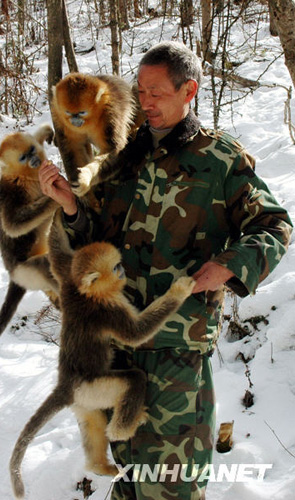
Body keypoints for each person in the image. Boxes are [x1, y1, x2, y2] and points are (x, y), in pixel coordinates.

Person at [39, 41, 293, 499]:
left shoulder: (220, 160)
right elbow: (97, 239)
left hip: (176, 348)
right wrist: (71, 209)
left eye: (156, 92)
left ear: (188, 90)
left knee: (172, 485)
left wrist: (229, 267)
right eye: (141, 91)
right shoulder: (124, 157)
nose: (146, 101)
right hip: (116, 344)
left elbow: (274, 225)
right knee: (131, 477)